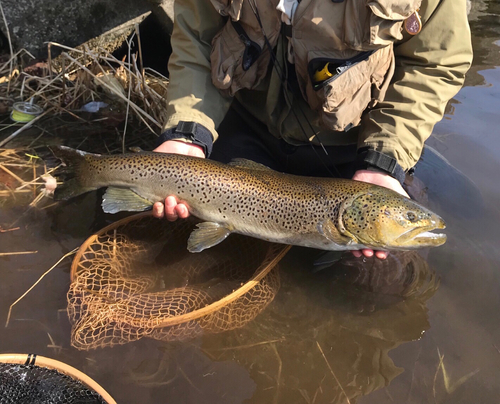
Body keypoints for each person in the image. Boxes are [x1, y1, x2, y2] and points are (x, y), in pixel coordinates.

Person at [151, 0, 473, 259]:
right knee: (186, 248)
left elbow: (434, 63)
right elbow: (197, 36)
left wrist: (384, 160)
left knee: (382, 283)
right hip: (243, 127)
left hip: (353, 152)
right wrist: (187, 132)